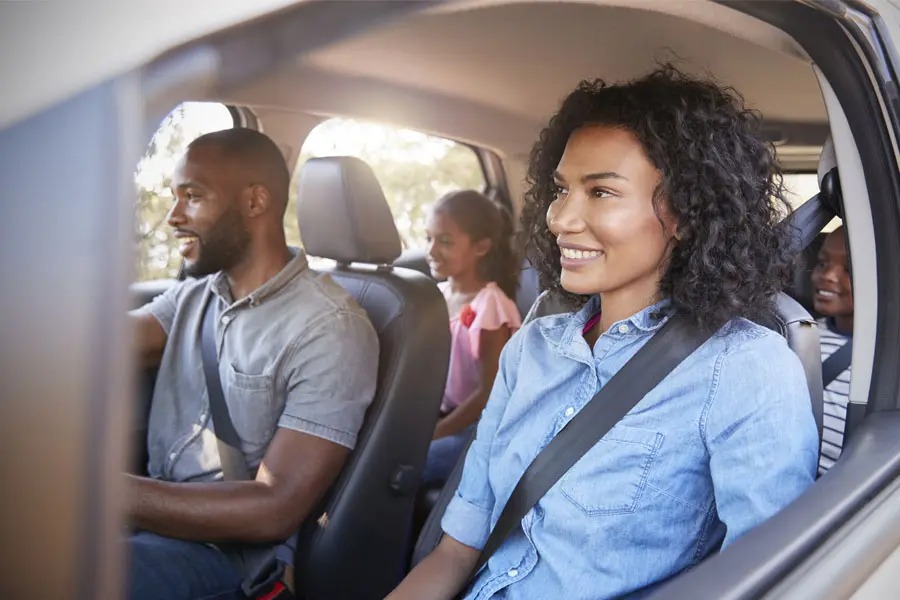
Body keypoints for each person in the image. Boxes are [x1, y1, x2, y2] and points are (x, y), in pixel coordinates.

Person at [388, 65, 818, 600]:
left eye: (601, 192)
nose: (561, 218)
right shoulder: (532, 348)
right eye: (561, 189)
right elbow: (456, 552)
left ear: (685, 213)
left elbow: (770, 582)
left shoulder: (745, 368)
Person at [127, 128, 379, 600]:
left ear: (255, 201)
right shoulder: (197, 294)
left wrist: (110, 492)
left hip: (228, 555)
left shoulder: (330, 327)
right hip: (158, 519)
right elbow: (101, 345)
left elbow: (273, 506)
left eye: (193, 196)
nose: (174, 216)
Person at [422, 190, 522, 485]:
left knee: (408, 463)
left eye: (445, 241)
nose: (431, 250)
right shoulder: (436, 296)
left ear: (481, 247)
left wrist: (435, 433)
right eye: (429, 238)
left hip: (476, 427)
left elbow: (488, 392)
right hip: (442, 414)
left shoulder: (491, 305)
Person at [811, 226, 853, 475]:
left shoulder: (887, 358)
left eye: (849, 268)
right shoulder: (800, 334)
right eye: (822, 263)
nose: (827, 275)